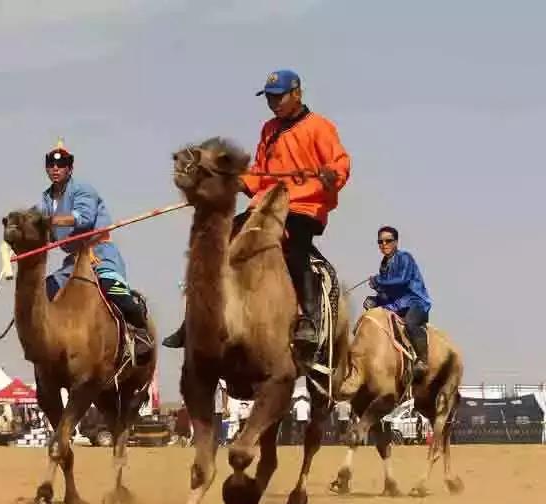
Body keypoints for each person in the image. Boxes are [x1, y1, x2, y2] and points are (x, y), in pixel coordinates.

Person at [164, 69, 351, 362]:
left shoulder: (319, 127)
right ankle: (196, 320)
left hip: (302, 206)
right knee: (214, 244)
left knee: (294, 252)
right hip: (264, 207)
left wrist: (331, 175)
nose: (273, 102)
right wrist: (237, 182)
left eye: (279, 96)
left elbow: (340, 163)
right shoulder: (269, 129)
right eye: (269, 98)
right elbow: (260, 173)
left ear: (297, 94)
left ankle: (309, 320)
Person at [38, 140, 153, 358]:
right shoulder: (46, 198)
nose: (55, 168)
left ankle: (140, 332)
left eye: (61, 164)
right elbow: (38, 225)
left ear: (70, 168)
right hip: (71, 264)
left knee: (114, 290)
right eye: (51, 164)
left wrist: (46, 221)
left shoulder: (83, 190)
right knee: (42, 292)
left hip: (98, 255)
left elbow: (83, 219)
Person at [365, 225, 432, 381]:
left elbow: (402, 280)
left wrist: (378, 281)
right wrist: (376, 297)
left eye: (388, 241)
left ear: (396, 242)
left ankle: (423, 360)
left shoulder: (404, 257)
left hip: (415, 303)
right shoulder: (384, 265)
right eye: (380, 242)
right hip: (396, 305)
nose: (384, 245)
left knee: (410, 324)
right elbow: (388, 292)